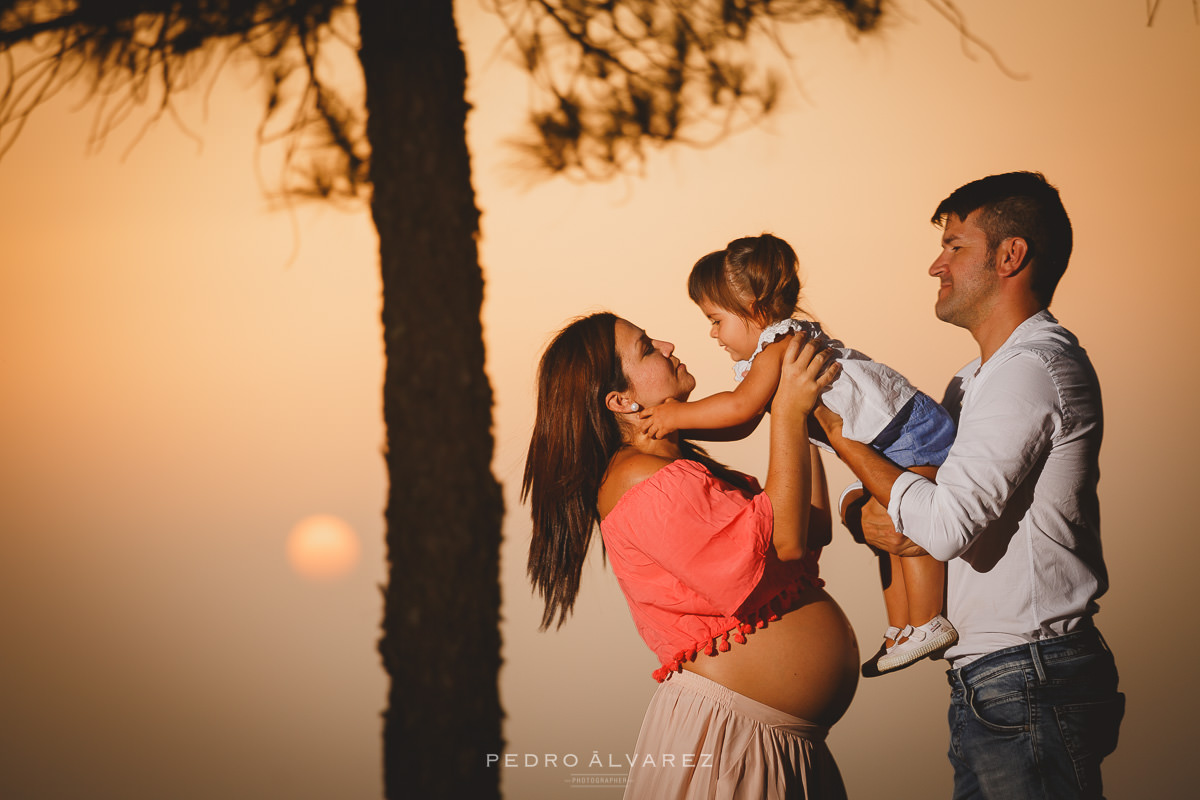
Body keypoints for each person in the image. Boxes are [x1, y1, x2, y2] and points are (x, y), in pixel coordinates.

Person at [815, 172, 1125, 798]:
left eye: (955, 245)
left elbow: (942, 525)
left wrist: (834, 429)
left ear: (1010, 256)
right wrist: (860, 512)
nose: (937, 265)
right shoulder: (974, 382)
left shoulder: (1031, 371)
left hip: (1029, 674)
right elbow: (916, 498)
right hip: (998, 679)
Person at [524, 312, 859, 798]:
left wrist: (794, 411)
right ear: (621, 400)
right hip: (732, 748)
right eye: (644, 347)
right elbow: (785, 539)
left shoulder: (678, 471)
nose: (666, 342)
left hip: (774, 744)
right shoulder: (639, 479)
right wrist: (785, 409)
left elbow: (810, 529)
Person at [639, 234, 958, 676]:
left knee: (907, 524)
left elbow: (740, 406)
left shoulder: (780, 344)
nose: (712, 333)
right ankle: (903, 627)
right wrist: (687, 421)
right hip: (892, 439)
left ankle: (928, 620)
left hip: (909, 433)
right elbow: (746, 421)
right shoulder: (777, 349)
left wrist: (677, 416)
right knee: (887, 539)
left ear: (752, 308)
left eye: (715, 319)